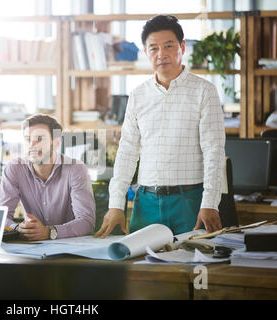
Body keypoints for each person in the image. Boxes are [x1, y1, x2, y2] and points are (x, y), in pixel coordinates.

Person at [95, 15, 225, 238]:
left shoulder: (204, 91)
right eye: (153, 48)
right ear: (146, 53)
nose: (161, 54)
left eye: (169, 46)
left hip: (190, 201)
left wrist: (210, 202)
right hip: (146, 203)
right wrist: (116, 205)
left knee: (190, 268)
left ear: (182, 47)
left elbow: (213, 151)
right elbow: (127, 152)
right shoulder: (137, 95)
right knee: (139, 269)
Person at [0, 114, 95, 241]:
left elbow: (86, 222)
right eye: (28, 139)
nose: (32, 144)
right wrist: (17, 229)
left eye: (39, 139)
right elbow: (0, 217)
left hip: (68, 246)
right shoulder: (14, 169)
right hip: (30, 247)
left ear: (57, 143)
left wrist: (50, 232)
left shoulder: (75, 169)